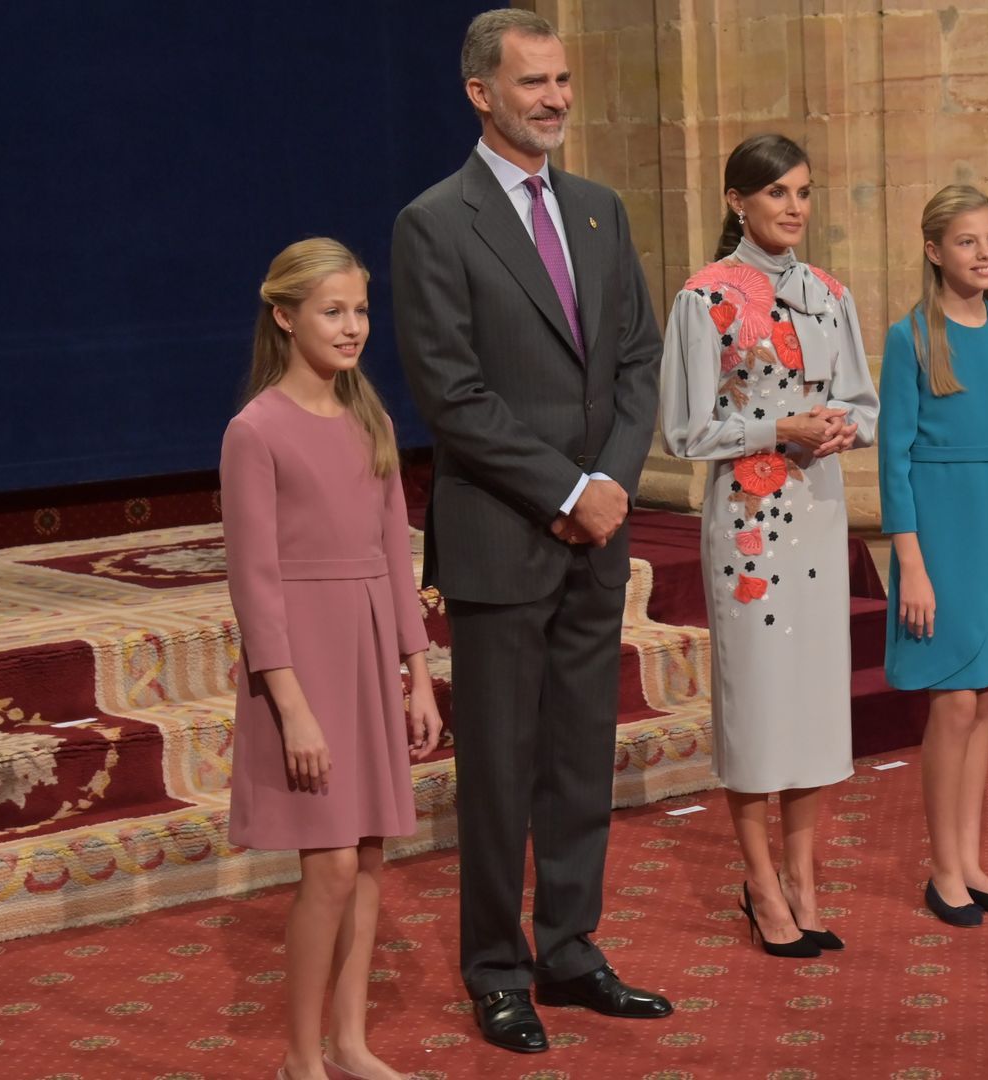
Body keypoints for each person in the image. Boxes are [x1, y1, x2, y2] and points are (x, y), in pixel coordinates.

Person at [390, 9, 669, 1055]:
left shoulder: (599, 210)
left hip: (596, 537)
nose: (554, 98)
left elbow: (637, 359)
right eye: (532, 83)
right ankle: (497, 968)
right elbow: (452, 396)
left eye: (561, 80)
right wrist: (566, 490)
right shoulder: (435, 222)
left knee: (578, 758)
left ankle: (570, 947)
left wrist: (612, 485)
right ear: (480, 93)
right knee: (502, 771)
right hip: (506, 537)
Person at [220, 237, 443, 1080]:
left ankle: (351, 1045)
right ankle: (299, 1058)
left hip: (366, 656)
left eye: (360, 311)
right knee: (333, 864)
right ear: (285, 317)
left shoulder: (370, 417)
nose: (353, 328)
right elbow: (256, 581)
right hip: (301, 666)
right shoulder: (255, 431)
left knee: (373, 855)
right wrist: (292, 705)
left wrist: (417, 673)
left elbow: (395, 551)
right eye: (333, 311)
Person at [657, 133, 880, 959]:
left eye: (804, 192)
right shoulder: (703, 298)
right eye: (778, 192)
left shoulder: (830, 293)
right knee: (757, 704)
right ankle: (758, 883)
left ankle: (805, 879)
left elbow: (865, 399)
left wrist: (842, 428)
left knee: (817, 706)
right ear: (737, 201)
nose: (793, 207)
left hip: (819, 507)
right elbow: (684, 428)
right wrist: (772, 426)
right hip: (749, 528)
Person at [878, 184, 988, 929]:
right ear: (933, 251)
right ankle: (942, 869)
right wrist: (910, 564)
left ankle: (973, 862)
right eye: (967, 242)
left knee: (985, 699)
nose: (985, 253)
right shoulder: (911, 337)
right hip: (941, 533)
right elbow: (893, 459)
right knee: (950, 701)